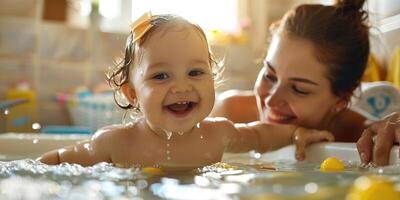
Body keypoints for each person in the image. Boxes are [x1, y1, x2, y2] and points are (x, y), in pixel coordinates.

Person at [37, 13, 333, 169]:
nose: (181, 87)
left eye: (195, 72)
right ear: (132, 94)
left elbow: (259, 135)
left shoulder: (218, 134)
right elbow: (63, 160)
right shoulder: (115, 142)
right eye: (161, 76)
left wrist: (295, 134)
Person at [211, 0, 400, 166]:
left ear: (342, 99)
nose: (271, 101)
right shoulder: (229, 114)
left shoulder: (362, 140)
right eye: (270, 75)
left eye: (299, 89)